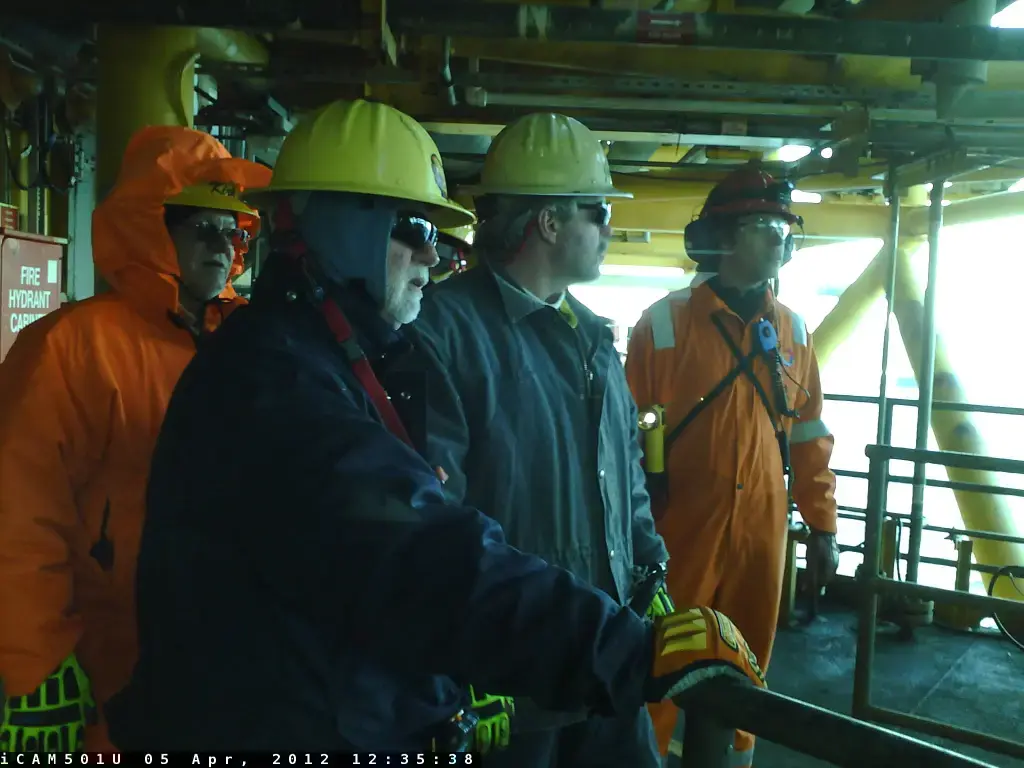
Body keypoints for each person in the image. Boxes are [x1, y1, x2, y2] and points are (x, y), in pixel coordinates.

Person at [104, 98, 765, 753]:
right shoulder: (279, 381)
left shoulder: (340, 358)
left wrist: (643, 585)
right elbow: (417, 548)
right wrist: (623, 648)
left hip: (360, 700)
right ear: (347, 229)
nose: (434, 257)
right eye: (416, 230)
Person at [409, 111, 670, 767]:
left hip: (608, 662)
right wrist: (459, 662)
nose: (609, 228)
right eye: (597, 212)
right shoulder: (441, 332)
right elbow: (433, 519)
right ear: (549, 222)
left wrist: (649, 568)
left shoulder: (593, 336)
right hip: (511, 680)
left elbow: (625, 471)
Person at [0, 125, 270, 752]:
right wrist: (34, 665)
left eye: (233, 230)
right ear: (153, 225)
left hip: (222, 672)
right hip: (105, 670)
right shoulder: (72, 347)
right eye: (202, 226)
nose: (223, 244)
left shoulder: (249, 345)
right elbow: (18, 512)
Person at [624, 166, 840, 767]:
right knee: (658, 652)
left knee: (749, 659)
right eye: (763, 225)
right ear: (721, 237)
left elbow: (808, 432)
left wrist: (822, 524)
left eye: (784, 228)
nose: (780, 239)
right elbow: (631, 428)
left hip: (762, 528)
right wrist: (635, 513)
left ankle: (734, 760)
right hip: (676, 524)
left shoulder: (794, 330)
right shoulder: (663, 323)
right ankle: (643, 756)